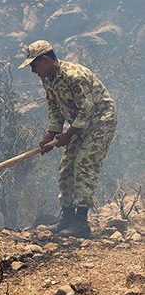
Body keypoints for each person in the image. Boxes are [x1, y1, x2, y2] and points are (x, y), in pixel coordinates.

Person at [18, 40, 116, 238]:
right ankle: (67, 218)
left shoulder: (74, 75)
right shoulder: (48, 79)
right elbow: (55, 108)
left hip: (99, 122)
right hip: (77, 125)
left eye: (34, 65)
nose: (33, 71)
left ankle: (81, 222)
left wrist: (67, 136)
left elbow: (87, 110)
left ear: (45, 60)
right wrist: (50, 134)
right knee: (66, 167)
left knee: (84, 165)